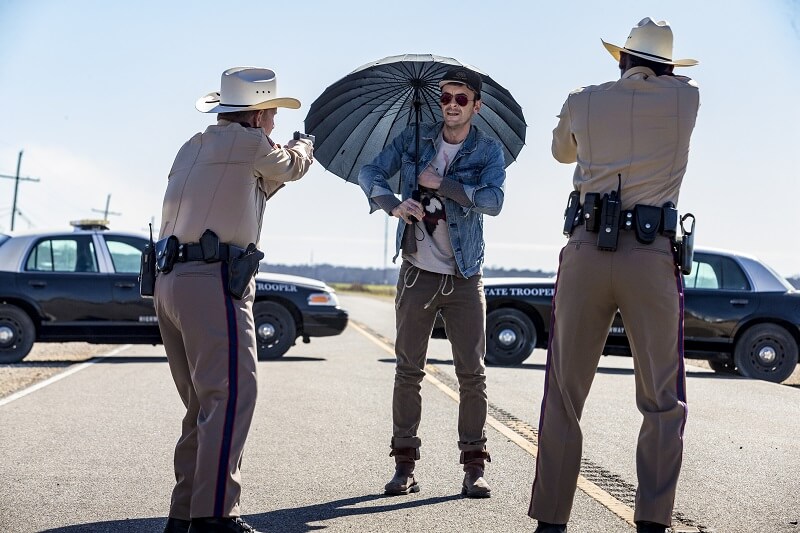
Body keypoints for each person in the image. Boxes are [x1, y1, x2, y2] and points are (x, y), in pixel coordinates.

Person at [528, 18, 700, 533]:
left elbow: (562, 153)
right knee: (662, 400)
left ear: (622, 60)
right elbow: (673, 84)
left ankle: (551, 522)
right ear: (666, 66)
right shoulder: (683, 102)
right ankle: (651, 521)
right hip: (650, 260)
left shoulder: (583, 99)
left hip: (585, 251)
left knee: (563, 392)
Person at [154, 67, 314, 533]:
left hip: (170, 281)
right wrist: (305, 145)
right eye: (272, 116)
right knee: (231, 395)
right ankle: (215, 516)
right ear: (261, 113)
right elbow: (291, 166)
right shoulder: (251, 145)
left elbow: (254, 187)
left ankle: (185, 514)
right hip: (211, 279)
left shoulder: (196, 146)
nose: (274, 125)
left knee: (203, 404)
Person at [358, 66, 507, 498]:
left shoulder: (488, 150)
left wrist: (443, 183)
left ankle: (474, 466)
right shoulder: (413, 139)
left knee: (472, 375)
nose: (452, 105)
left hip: (464, 275)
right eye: (446, 98)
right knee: (408, 371)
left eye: (462, 99)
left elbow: (494, 202)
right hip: (417, 272)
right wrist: (393, 204)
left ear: (476, 105)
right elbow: (370, 172)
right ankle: (404, 465)